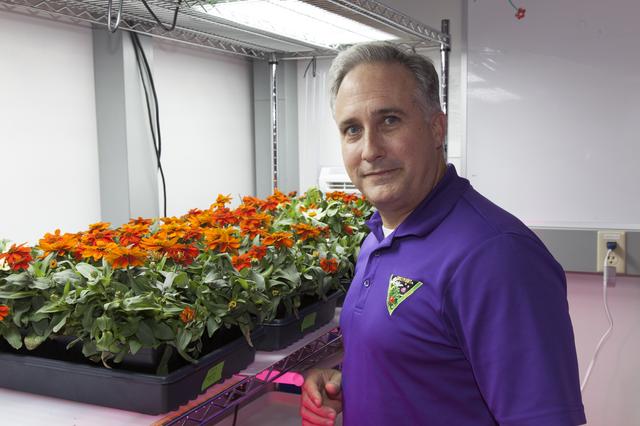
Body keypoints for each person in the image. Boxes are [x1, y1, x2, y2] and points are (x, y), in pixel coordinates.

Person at [300, 42, 586, 426]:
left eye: (389, 120)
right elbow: (426, 371)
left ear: (436, 128)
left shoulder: (497, 256)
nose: (369, 150)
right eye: (352, 129)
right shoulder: (378, 238)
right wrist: (348, 383)